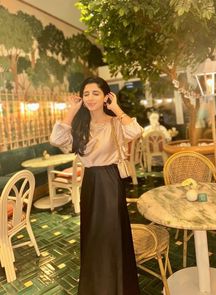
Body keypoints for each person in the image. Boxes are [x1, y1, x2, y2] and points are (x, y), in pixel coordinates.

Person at [50, 76, 142, 295]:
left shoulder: (115, 122)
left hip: (110, 182)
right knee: (94, 236)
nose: (90, 98)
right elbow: (56, 140)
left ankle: (119, 288)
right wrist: (71, 111)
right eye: (86, 94)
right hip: (90, 182)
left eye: (95, 93)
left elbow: (136, 132)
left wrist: (117, 108)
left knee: (111, 234)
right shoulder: (81, 125)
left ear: (105, 97)